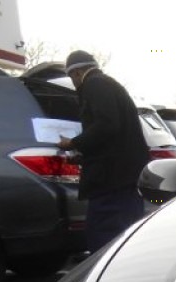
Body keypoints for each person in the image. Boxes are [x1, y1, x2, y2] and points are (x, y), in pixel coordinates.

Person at [56, 50, 149, 254]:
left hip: (112, 182)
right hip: (124, 176)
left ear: (78, 72)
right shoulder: (108, 84)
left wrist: (73, 143)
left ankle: (105, 280)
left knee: (104, 238)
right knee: (126, 236)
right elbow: (113, 137)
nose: (73, 83)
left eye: (72, 77)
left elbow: (107, 124)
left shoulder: (94, 85)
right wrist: (83, 157)